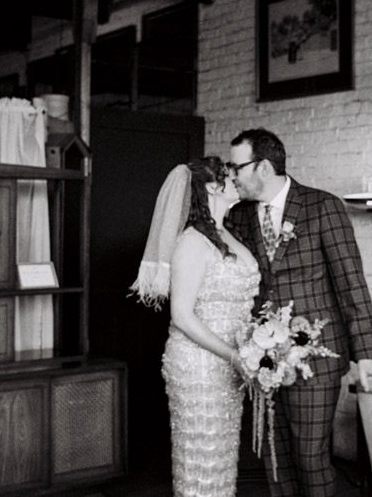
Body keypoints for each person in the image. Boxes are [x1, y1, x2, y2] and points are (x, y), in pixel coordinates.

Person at [226, 128, 372, 497]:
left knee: (310, 457)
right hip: (264, 357)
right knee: (275, 455)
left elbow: (350, 282)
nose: (233, 176)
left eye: (237, 167)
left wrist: (367, 355)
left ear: (264, 167)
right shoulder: (240, 215)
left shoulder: (321, 206)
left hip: (315, 355)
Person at [130, 156, 260, 497]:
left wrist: (256, 345)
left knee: (223, 454)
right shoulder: (192, 241)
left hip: (230, 361)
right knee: (201, 455)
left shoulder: (226, 233)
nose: (237, 179)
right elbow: (182, 316)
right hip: (199, 364)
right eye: (230, 175)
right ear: (211, 187)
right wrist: (234, 355)